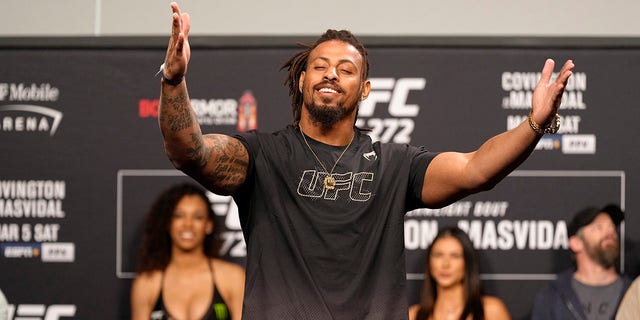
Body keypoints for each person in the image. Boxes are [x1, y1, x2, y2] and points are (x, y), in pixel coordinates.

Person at [157, 2, 574, 318]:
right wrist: (174, 81)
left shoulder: (394, 163)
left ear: (366, 89)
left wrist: (534, 123)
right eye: (319, 66)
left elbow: (476, 170)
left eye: (346, 68)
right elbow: (190, 152)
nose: (331, 74)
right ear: (303, 81)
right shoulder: (263, 155)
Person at [130, 183, 245, 320]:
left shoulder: (233, 278)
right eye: (179, 216)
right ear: (168, 223)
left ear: (208, 225)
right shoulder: (146, 283)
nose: (188, 224)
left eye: (198, 217)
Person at [531, 204, 631, 320]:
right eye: (598, 227)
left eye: (612, 227)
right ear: (576, 243)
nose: (610, 232)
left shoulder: (635, 293)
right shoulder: (551, 298)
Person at [408, 227, 510, 320]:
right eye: (438, 255)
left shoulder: (491, 310)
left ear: (467, 262)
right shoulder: (413, 315)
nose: (445, 264)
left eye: (455, 256)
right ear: (429, 262)